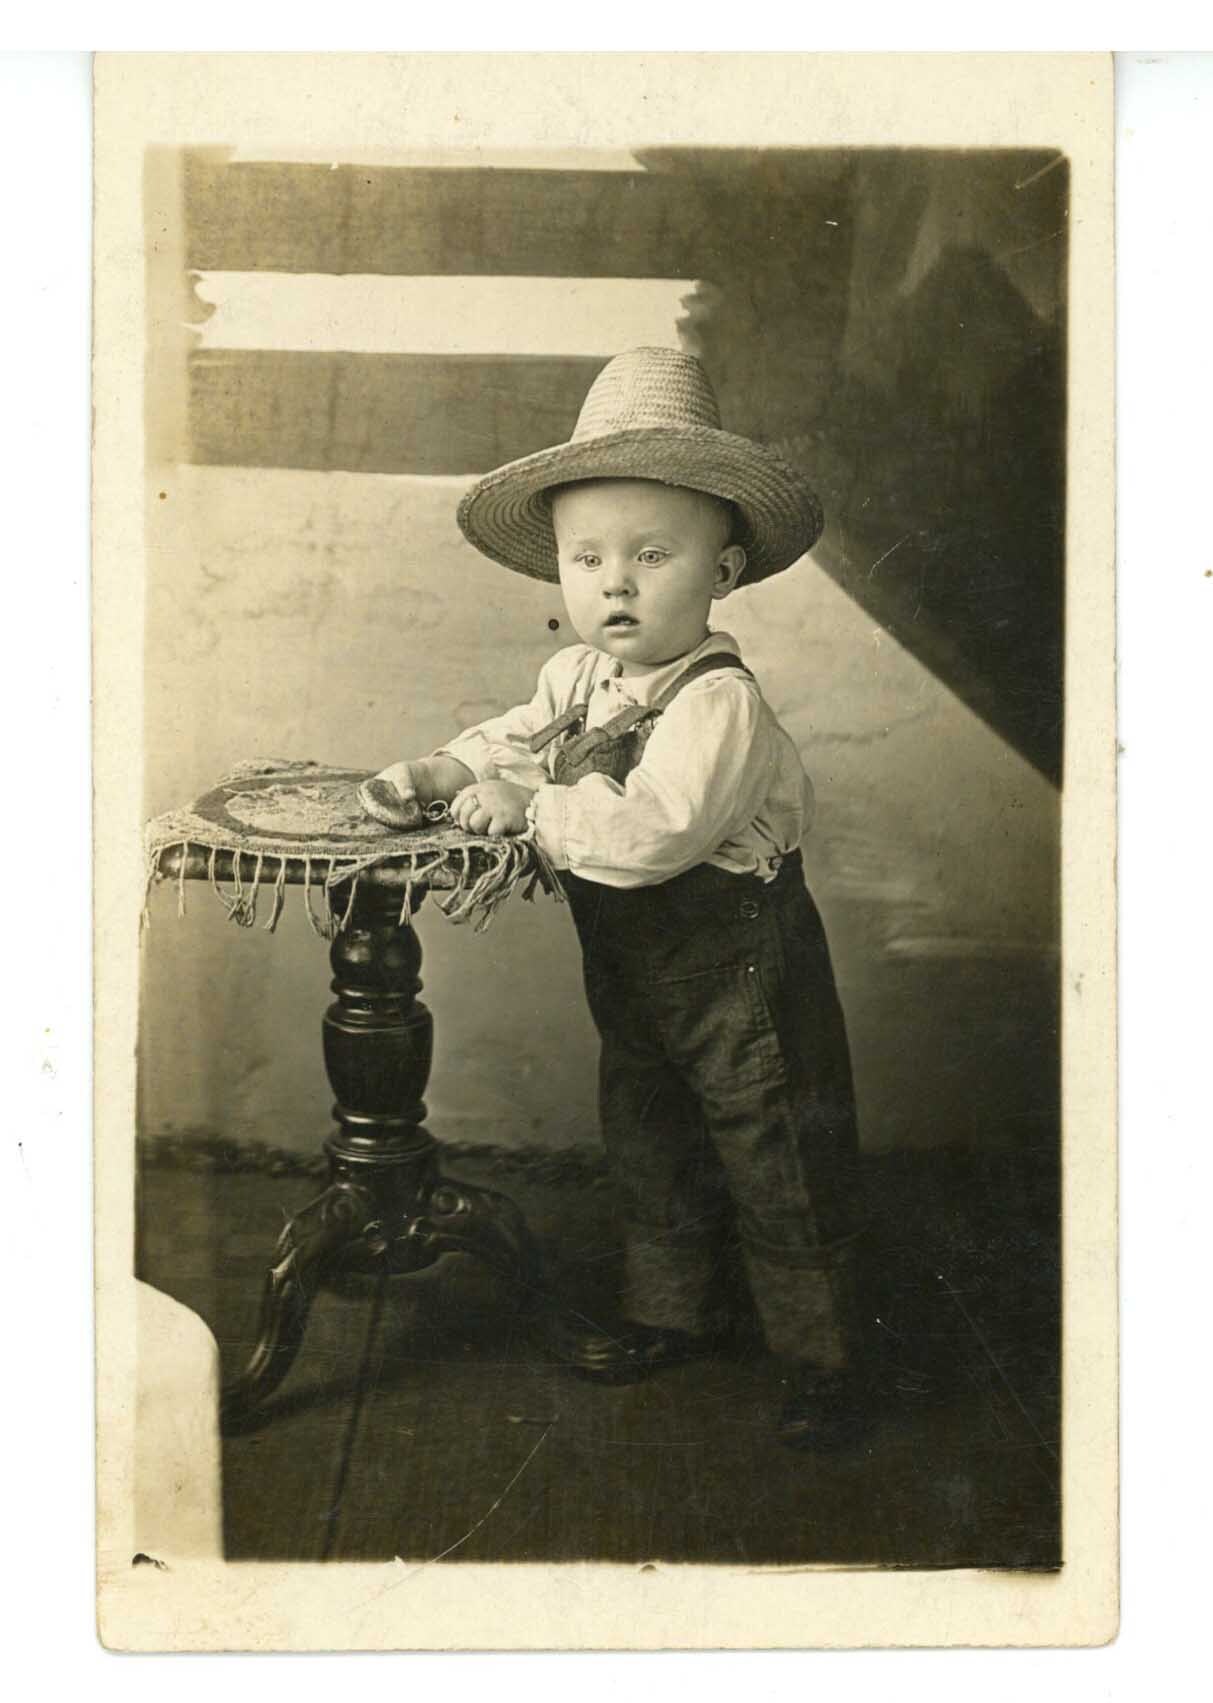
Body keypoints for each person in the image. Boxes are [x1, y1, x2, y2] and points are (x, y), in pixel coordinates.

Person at [362, 347, 871, 1448]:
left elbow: (656, 831)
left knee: (774, 1148)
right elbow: (517, 737)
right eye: (586, 558)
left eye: (651, 554)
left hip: (740, 976)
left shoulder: (717, 703)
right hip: (639, 972)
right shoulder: (578, 677)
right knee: (649, 1129)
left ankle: (823, 1360)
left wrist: (529, 808)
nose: (615, 585)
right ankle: (674, 1309)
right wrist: (450, 769)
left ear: (722, 571)